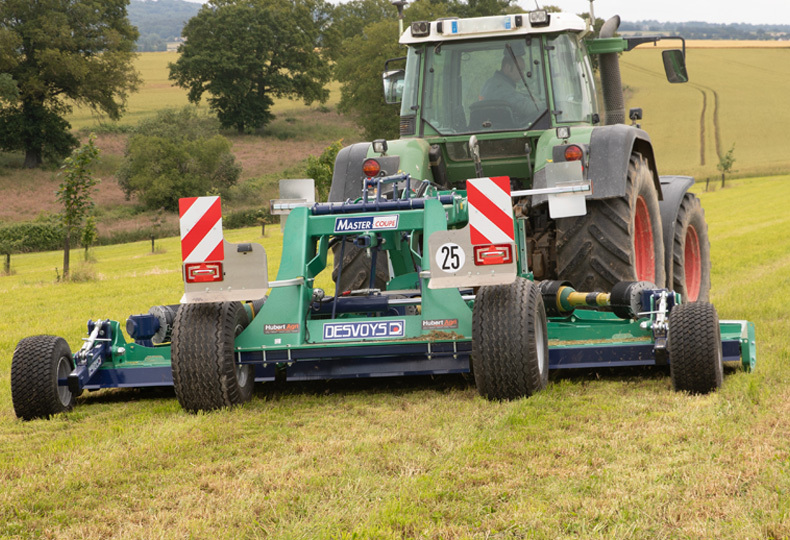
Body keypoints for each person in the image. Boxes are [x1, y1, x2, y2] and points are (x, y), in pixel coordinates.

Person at [478, 54, 539, 125]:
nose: (523, 73)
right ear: (507, 68)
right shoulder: (499, 86)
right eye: (520, 69)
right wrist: (544, 105)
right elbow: (524, 107)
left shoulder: (492, 83)